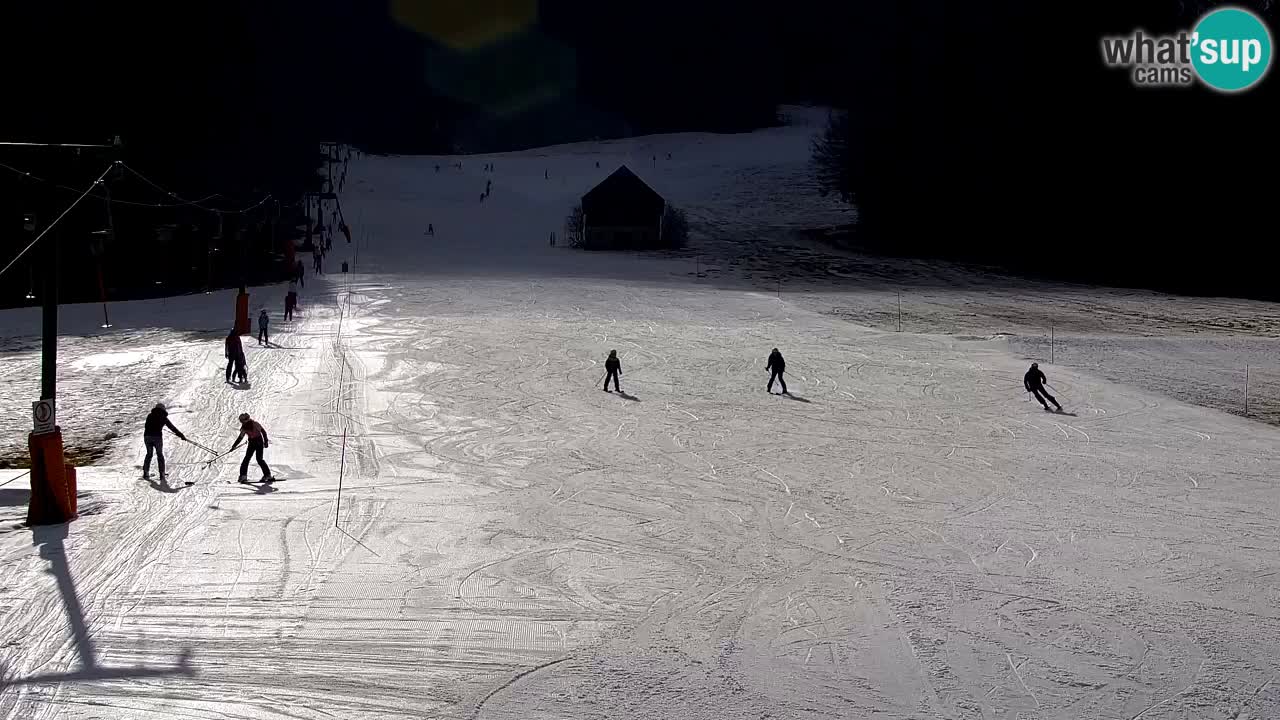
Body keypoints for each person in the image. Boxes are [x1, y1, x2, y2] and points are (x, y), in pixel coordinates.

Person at [142, 403, 186, 480]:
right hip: (157, 438)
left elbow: (146, 426)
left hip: (147, 437)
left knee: (149, 454)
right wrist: (181, 435)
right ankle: (162, 474)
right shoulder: (163, 417)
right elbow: (172, 427)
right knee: (160, 455)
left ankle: (146, 473)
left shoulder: (150, 415)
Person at [230, 412, 272, 483]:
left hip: (258, 442)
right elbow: (240, 437)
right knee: (251, 459)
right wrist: (234, 446)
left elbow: (263, 432)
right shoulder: (246, 426)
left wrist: (266, 442)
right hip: (253, 442)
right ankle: (244, 476)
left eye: (242, 421)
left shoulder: (254, 424)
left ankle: (266, 475)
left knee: (257, 459)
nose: (242, 422)